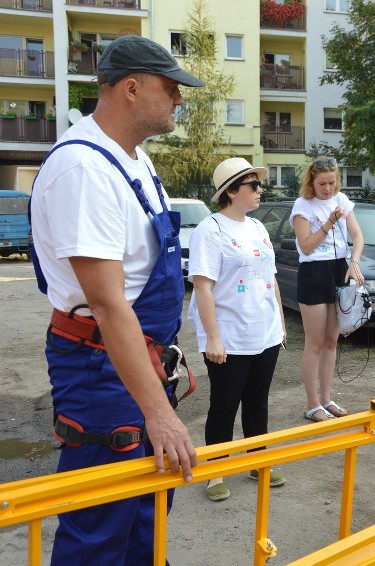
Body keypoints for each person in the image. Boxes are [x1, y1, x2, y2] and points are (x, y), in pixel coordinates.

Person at [29, 35, 204, 564]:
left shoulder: (133, 160)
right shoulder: (84, 170)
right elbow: (107, 305)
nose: (179, 100)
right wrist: (159, 411)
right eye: (171, 89)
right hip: (99, 368)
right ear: (132, 87)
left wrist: (157, 390)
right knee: (99, 527)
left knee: (146, 514)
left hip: (137, 362)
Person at [187, 158, 288, 502]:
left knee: (257, 403)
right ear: (231, 191)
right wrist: (212, 337)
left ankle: (258, 461)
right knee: (224, 405)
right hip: (228, 336)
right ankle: (215, 472)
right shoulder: (210, 230)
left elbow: (270, 278)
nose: (261, 190)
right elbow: (202, 287)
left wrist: (281, 324)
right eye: (254, 185)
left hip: (265, 332)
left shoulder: (258, 228)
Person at [289, 157, 365, 422]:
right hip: (314, 272)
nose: (328, 189)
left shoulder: (342, 200)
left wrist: (354, 263)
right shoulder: (303, 205)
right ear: (312, 181)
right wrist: (330, 223)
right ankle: (312, 403)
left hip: (338, 268)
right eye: (322, 184)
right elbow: (307, 246)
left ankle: (326, 398)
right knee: (315, 341)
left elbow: (358, 237)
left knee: (332, 340)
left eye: (332, 182)